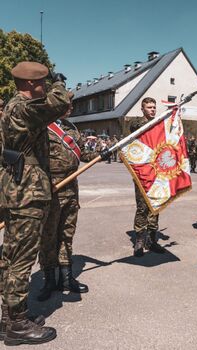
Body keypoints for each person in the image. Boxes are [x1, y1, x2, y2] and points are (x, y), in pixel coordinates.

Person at [0, 62, 70, 345]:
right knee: (21, 259)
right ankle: (18, 325)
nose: (45, 87)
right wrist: (58, 82)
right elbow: (59, 102)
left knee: (10, 257)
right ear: (30, 85)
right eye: (42, 82)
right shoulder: (22, 108)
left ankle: (8, 317)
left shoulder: (15, 108)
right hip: (26, 193)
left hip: (19, 190)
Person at [37, 92, 106, 302]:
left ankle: (66, 278)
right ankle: (49, 280)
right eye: (67, 104)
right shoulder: (42, 126)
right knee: (48, 236)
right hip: (51, 188)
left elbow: (84, 153)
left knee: (67, 234)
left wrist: (103, 154)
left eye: (71, 104)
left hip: (71, 188)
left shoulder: (71, 129)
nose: (71, 108)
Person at [130, 97, 165, 257]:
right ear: (142, 109)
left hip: (157, 171)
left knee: (155, 206)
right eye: (149, 107)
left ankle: (152, 239)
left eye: (154, 107)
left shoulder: (159, 124)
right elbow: (139, 131)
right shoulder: (137, 124)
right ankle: (139, 240)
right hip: (142, 172)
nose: (152, 110)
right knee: (142, 206)